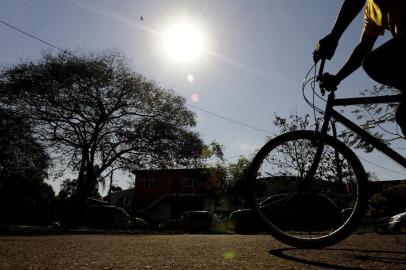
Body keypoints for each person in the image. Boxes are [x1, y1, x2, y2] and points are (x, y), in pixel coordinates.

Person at [313, 0, 406, 136]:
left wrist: (334, 36)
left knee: (373, 62)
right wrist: (337, 78)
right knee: (404, 117)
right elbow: (363, 48)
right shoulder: (371, 9)